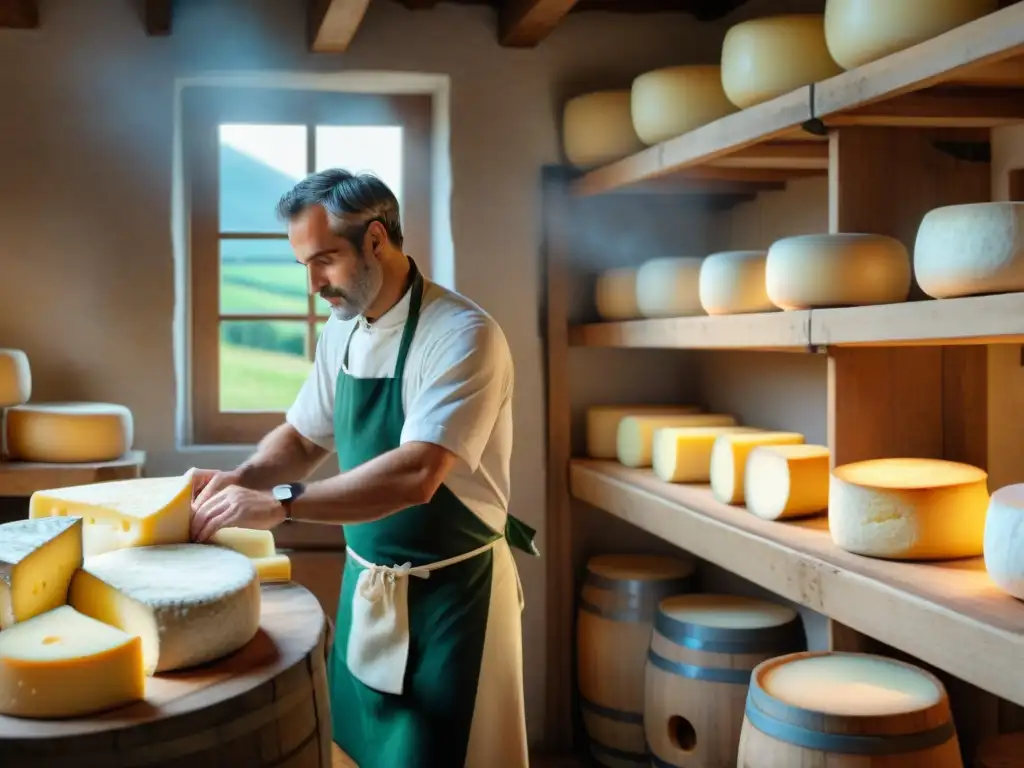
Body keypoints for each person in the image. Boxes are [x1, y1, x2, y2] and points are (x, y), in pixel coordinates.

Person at [189, 169, 537, 768]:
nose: (312, 285)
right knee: (355, 753)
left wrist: (283, 502)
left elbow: (417, 473)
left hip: (454, 603)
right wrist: (240, 479)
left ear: (376, 239)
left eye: (324, 261)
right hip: (367, 594)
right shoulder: (343, 330)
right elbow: (302, 437)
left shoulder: (462, 335)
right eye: (304, 265)